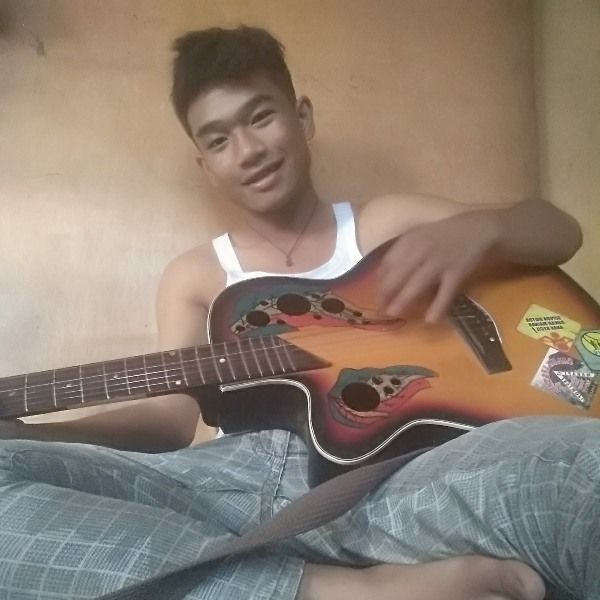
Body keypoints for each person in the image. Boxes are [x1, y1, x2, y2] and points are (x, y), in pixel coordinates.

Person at [0, 25, 597, 600]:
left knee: (583, 472)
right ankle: (335, 591)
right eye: (218, 140)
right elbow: (170, 419)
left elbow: (558, 231)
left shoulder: (382, 224)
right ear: (204, 165)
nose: (249, 151)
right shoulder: (196, 275)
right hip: (236, 488)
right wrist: (33, 432)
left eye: (261, 116)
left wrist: (484, 229)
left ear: (302, 117)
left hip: (399, 475)